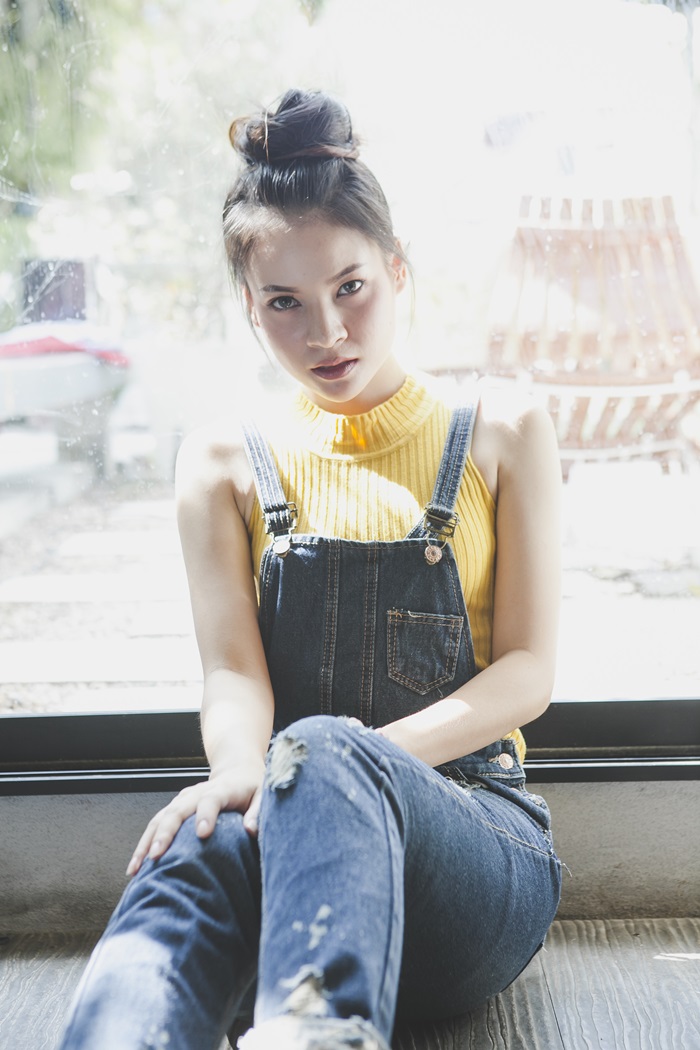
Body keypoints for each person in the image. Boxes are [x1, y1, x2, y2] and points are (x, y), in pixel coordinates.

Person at [58, 88, 563, 1050]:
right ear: (251, 309)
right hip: (290, 837)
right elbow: (233, 672)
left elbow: (529, 674)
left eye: (351, 287)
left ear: (398, 269)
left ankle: (311, 1030)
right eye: (284, 303)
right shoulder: (221, 462)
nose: (325, 331)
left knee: (323, 751)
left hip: (472, 849)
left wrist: (343, 764)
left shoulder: (503, 430)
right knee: (192, 845)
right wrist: (238, 778)